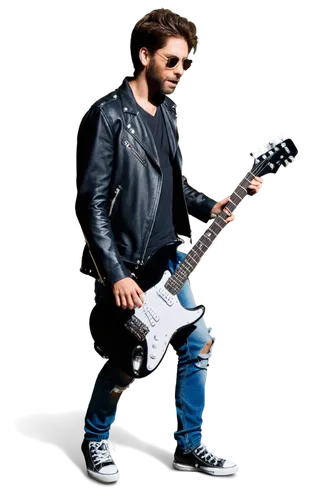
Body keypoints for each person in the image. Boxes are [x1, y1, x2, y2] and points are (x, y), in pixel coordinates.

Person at [74, 7, 264, 484]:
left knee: (198, 341)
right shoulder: (110, 116)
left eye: (186, 63)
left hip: (171, 257)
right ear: (145, 56)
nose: (182, 73)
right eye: (173, 61)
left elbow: (175, 190)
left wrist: (215, 204)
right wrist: (114, 272)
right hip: (129, 263)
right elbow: (90, 203)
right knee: (125, 363)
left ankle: (190, 445)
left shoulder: (165, 117)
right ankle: (98, 438)